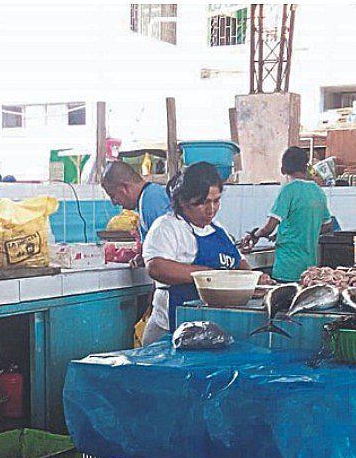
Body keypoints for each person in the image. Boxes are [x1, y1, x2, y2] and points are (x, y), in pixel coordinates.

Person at [140, 162, 268, 345]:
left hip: (212, 327)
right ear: (184, 201)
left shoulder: (218, 228)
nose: (212, 209)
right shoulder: (168, 226)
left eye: (216, 201)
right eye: (203, 202)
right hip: (170, 329)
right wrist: (209, 276)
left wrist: (253, 279)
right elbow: (156, 267)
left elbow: (238, 262)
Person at [239, 147, 331, 282]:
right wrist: (292, 231)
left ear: (283, 170)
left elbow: (268, 227)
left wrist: (254, 236)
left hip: (287, 267)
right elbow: (327, 226)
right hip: (310, 269)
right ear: (306, 167)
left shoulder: (288, 190)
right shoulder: (318, 191)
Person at [101, 161, 170, 241]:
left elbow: (166, 244)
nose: (114, 202)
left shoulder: (151, 201)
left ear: (124, 189)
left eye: (113, 196)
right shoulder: (148, 197)